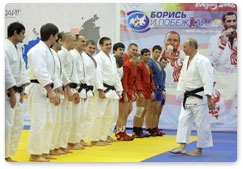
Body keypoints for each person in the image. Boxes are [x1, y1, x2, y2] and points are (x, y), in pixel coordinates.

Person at [170, 38, 215, 156]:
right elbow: (182, 77)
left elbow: (208, 80)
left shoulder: (202, 61)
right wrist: (180, 91)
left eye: (185, 47)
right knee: (182, 120)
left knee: (201, 123)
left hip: (199, 97)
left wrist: (209, 98)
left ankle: (199, 149)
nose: (182, 49)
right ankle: (182, 146)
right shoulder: (186, 60)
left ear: (192, 47)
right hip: (188, 96)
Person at [26, 23, 62, 162]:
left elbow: (53, 73)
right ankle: (34, 154)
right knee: (39, 122)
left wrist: (58, 89)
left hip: (47, 89)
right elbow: (40, 72)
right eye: (57, 35)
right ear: (52, 36)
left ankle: (43, 150)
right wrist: (49, 90)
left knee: (49, 122)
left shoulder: (49, 51)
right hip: (38, 89)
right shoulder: (37, 50)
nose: (57, 38)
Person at [5, 22, 30, 162]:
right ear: (15, 32)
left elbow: (22, 70)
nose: (24, 36)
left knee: (17, 125)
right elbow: (5, 72)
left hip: (17, 91)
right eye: (22, 33)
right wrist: (12, 92)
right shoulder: (4, 47)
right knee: (6, 126)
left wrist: (22, 91)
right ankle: (4, 156)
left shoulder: (18, 48)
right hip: (7, 93)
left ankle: (8, 153)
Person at [92, 37, 123, 145]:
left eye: (110, 44)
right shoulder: (98, 58)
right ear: (100, 46)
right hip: (103, 89)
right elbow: (98, 74)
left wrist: (119, 89)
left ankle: (105, 136)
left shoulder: (112, 58)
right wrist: (100, 90)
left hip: (112, 89)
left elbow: (115, 75)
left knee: (110, 115)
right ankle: (95, 139)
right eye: (106, 44)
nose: (109, 46)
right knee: (99, 114)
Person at [208, 11, 237, 118]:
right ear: (223, 23)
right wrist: (223, 43)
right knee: (218, 113)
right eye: (229, 21)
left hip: (237, 76)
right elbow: (212, 61)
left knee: (236, 113)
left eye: (234, 20)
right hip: (220, 78)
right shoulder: (215, 39)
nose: (232, 24)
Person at [58, 32, 81, 150]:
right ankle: (59, 145)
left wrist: (75, 89)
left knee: (68, 119)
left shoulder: (70, 54)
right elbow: (62, 73)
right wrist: (67, 88)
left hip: (70, 88)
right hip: (64, 89)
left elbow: (74, 74)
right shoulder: (61, 53)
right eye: (73, 41)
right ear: (67, 41)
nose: (75, 43)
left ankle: (64, 144)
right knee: (62, 119)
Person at [132, 48, 156, 138]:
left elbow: (151, 80)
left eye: (148, 55)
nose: (147, 56)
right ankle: (135, 130)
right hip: (141, 90)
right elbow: (137, 79)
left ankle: (140, 129)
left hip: (148, 90)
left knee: (145, 110)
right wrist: (139, 91)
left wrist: (152, 90)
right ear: (141, 56)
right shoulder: (139, 66)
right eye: (145, 55)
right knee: (139, 111)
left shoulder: (149, 67)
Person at [147, 45, 166, 136]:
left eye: (159, 52)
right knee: (150, 110)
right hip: (153, 89)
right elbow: (149, 76)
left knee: (156, 111)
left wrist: (163, 89)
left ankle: (154, 128)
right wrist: (151, 89)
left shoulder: (158, 63)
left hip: (159, 89)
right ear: (153, 52)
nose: (158, 54)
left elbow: (161, 78)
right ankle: (148, 129)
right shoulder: (150, 62)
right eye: (156, 52)